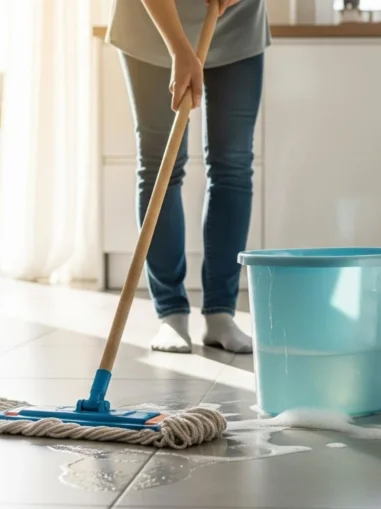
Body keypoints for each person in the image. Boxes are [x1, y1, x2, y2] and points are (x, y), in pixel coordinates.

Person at [107, 0, 269, 354]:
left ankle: (221, 314)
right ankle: (171, 315)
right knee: (161, 164)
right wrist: (180, 49)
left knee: (233, 165)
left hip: (236, 18)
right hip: (154, 21)